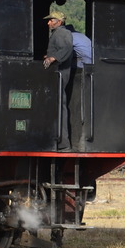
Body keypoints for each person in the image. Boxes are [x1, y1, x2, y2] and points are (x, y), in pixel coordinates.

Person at [43, 11, 74, 150]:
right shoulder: (57, 33)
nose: (48, 22)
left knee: (60, 104)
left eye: (51, 20)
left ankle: (63, 143)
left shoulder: (63, 33)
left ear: (59, 22)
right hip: (57, 71)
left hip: (61, 72)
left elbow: (67, 48)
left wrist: (53, 58)